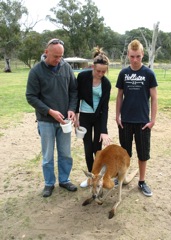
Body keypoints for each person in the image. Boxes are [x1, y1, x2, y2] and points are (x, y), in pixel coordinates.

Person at [26, 38, 78, 197]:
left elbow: (74, 91)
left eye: (61, 56)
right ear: (46, 52)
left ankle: (64, 179)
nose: (58, 59)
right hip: (46, 121)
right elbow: (31, 97)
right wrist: (50, 111)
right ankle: (49, 183)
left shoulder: (66, 67)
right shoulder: (36, 71)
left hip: (65, 122)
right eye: (55, 56)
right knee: (47, 155)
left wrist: (71, 109)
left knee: (66, 153)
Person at [116, 39, 158, 197]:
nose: (135, 60)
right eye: (132, 56)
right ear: (128, 55)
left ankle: (141, 181)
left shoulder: (149, 73)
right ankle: (122, 177)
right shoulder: (123, 73)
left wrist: (152, 120)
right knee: (125, 154)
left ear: (143, 55)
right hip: (125, 121)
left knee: (143, 153)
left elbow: (154, 98)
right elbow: (119, 96)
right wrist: (117, 116)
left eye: (138, 56)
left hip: (142, 122)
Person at [74, 47, 111, 188]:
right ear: (93, 67)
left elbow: (105, 107)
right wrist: (76, 117)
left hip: (98, 117)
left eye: (103, 71)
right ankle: (90, 177)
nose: (100, 74)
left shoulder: (106, 84)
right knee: (88, 148)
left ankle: (98, 177)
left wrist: (104, 130)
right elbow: (76, 98)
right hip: (84, 116)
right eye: (98, 71)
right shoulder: (83, 77)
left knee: (97, 149)